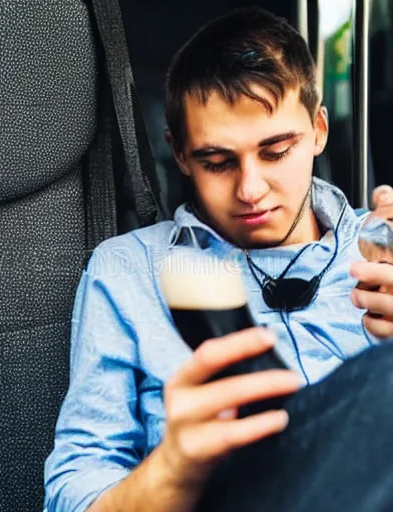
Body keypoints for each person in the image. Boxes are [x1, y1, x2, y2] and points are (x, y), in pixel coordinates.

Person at [43, 7, 393, 512]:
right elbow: (71, 496)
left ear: (318, 130)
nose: (250, 190)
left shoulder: (379, 248)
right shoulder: (127, 270)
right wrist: (174, 467)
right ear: (181, 156)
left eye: (275, 152)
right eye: (217, 162)